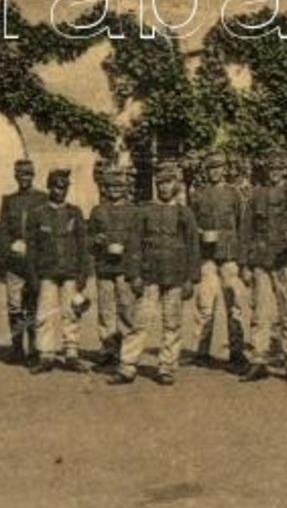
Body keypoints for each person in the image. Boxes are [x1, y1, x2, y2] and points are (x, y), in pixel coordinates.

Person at [116, 161, 199, 386]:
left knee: (172, 323)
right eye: (160, 183)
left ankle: (166, 366)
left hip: (175, 276)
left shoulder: (185, 214)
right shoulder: (144, 211)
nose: (164, 187)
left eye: (168, 182)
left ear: (177, 184)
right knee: (140, 321)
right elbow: (133, 245)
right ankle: (127, 366)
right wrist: (134, 275)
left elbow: (193, 248)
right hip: (149, 275)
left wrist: (191, 279)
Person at [238, 147, 287, 383]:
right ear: (266, 170)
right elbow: (246, 230)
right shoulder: (256, 196)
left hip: (286, 259)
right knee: (260, 312)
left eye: (279, 168)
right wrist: (244, 264)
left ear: (285, 170)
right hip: (261, 259)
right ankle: (259, 360)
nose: (275, 172)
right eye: (271, 168)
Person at [26, 167, 92, 374]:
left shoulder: (75, 213)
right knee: (45, 314)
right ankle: (46, 355)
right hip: (46, 272)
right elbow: (32, 248)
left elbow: (83, 246)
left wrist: (83, 274)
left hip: (70, 272)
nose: (59, 191)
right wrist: (33, 276)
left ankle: (71, 353)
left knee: (71, 313)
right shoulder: (38, 214)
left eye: (63, 187)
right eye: (55, 186)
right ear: (48, 187)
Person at [189, 151, 248, 371]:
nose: (215, 172)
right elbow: (190, 224)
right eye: (210, 168)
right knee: (205, 303)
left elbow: (243, 226)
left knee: (234, 304)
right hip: (207, 256)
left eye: (218, 167)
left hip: (230, 255)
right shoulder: (197, 195)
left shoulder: (234, 195)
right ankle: (201, 351)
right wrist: (199, 231)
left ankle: (237, 351)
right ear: (206, 171)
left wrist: (243, 261)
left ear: (225, 169)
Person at [87, 161, 143, 374]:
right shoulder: (98, 211)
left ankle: (127, 355)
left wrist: (136, 269)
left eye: (119, 187)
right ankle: (108, 350)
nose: (115, 190)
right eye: (111, 187)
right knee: (105, 310)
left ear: (126, 188)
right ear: (105, 189)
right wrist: (97, 240)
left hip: (125, 268)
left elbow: (139, 242)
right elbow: (88, 239)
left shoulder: (134, 211)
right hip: (104, 267)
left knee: (127, 311)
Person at [0, 158, 49, 365]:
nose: (24, 178)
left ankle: (35, 349)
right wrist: (10, 247)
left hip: (36, 262)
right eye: (20, 175)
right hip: (15, 262)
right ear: (15, 176)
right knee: (14, 305)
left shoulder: (42, 198)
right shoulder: (9, 200)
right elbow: (2, 230)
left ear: (33, 175)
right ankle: (17, 348)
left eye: (27, 174)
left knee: (34, 305)